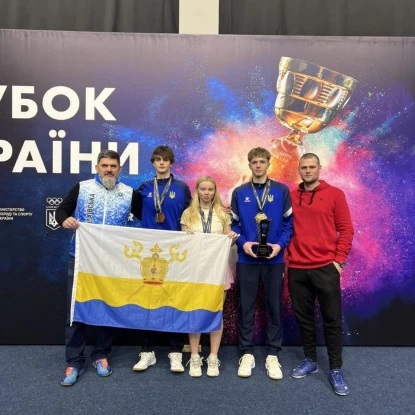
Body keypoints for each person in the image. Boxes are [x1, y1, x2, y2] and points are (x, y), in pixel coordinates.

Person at [56, 149, 141, 386]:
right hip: (81, 258)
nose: (109, 170)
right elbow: (61, 210)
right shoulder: (82, 188)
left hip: (112, 261)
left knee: (107, 307)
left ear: (120, 169)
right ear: (97, 167)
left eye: (113, 166)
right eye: (104, 165)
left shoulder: (129, 193)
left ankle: (101, 355)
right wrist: (64, 219)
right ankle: (74, 361)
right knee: (75, 310)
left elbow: (150, 221)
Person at [287, 153, 354, 396]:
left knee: (332, 320)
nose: (307, 170)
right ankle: (310, 360)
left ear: (319, 168)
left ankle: (335, 368)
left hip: (326, 267)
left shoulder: (335, 194)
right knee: (304, 319)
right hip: (297, 267)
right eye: (304, 167)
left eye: (311, 167)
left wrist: (339, 261)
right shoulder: (290, 196)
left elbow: (346, 229)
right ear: (299, 169)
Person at [230, 147, 293, 380]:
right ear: (249, 165)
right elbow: (233, 225)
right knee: (246, 305)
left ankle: (273, 353)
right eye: (254, 162)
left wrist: (280, 246)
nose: (258, 165)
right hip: (246, 258)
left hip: (274, 259)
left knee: (273, 304)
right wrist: (243, 243)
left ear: (268, 164)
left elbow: (289, 224)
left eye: (262, 162)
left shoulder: (281, 190)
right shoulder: (239, 192)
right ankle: (246, 352)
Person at [132, 145, 191, 374]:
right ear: (153, 163)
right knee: (148, 300)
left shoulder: (182, 188)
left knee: (174, 299)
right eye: (157, 159)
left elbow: (190, 215)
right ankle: (147, 351)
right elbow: (138, 212)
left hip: (174, 251)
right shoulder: (144, 188)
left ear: (171, 162)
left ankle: (175, 352)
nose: (162, 163)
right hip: (149, 250)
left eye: (165, 159)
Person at [180, 176, 239, 377]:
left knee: (216, 311)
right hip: (195, 270)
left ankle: (213, 357)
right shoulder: (188, 213)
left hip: (218, 269)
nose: (206, 193)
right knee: (194, 311)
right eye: (203, 189)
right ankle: (195, 356)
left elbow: (228, 240)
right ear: (197, 191)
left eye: (210, 189)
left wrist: (231, 239)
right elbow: (183, 244)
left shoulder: (222, 213)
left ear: (215, 191)